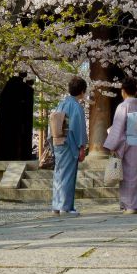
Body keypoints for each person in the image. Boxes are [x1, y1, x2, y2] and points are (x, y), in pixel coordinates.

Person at [103, 77, 137, 213]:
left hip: (128, 144)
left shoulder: (123, 106)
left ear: (122, 91)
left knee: (129, 175)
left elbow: (118, 128)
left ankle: (130, 205)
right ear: (136, 91)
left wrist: (113, 146)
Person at [49, 76, 88, 215]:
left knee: (59, 174)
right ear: (82, 91)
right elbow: (77, 128)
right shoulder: (76, 106)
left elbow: (53, 123)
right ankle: (65, 207)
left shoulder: (61, 104)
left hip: (57, 142)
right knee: (68, 175)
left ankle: (56, 206)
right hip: (69, 143)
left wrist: (51, 141)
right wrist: (82, 146)